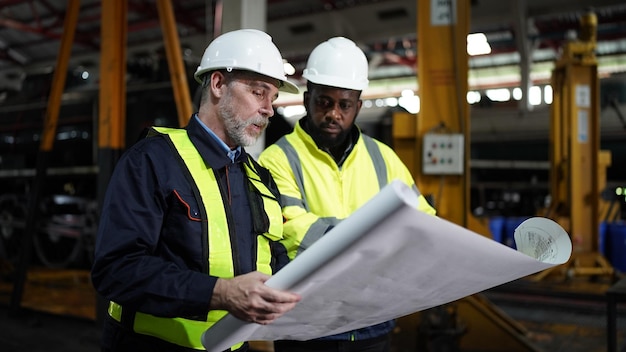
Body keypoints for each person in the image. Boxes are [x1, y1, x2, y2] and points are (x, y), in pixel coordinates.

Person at [90, 29, 302, 352]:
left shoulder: (260, 180)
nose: (269, 109)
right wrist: (221, 293)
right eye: (259, 92)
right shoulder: (152, 161)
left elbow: (275, 261)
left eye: (272, 98)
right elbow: (116, 270)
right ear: (217, 84)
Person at [258, 37, 437, 352]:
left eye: (344, 104)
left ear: (358, 106)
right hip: (307, 328)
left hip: (373, 325)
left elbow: (422, 221)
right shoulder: (277, 159)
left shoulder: (384, 158)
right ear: (307, 99)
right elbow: (293, 230)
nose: (333, 114)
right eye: (324, 102)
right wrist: (378, 237)